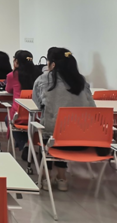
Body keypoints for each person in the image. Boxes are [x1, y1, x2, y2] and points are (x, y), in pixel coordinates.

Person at [33, 48, 97, 192]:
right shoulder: (81, 81)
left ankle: (46, 178)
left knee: (49, 131)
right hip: (84, 139)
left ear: (53, 64)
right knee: (64, 128)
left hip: (55, 140)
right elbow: (93, 107)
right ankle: (62, 178)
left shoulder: (43, 80)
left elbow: (37, 104)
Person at [6, 50, 41, 158]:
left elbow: (8, 90)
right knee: (31, 125)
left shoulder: (12, 75)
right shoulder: (39, 74)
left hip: (19, 113)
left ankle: (25, 144)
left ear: (16, 61)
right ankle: (30, 145)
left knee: (8, 120)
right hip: (37, 114)